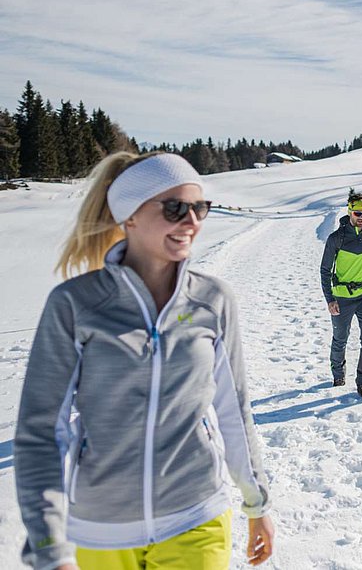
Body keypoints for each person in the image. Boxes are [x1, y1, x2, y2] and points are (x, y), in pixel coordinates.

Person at [15, 151, 274, 570]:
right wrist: (48, 544)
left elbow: (233, 410)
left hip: (196, 516)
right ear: (129, 215)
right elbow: (42, 432)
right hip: (101, 530)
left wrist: (256, 503)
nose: (191, 221)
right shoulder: (76, 304)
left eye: (199, 207)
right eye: (174, 208)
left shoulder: (212, 300)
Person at [320, 189, 362, 399]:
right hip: (342, 298)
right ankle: (338, 373)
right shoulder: (336, 239)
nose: (361, 217)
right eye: (357, 213)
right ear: (349, 212)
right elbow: (325, 270)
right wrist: (330, 299)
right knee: (340, 338)